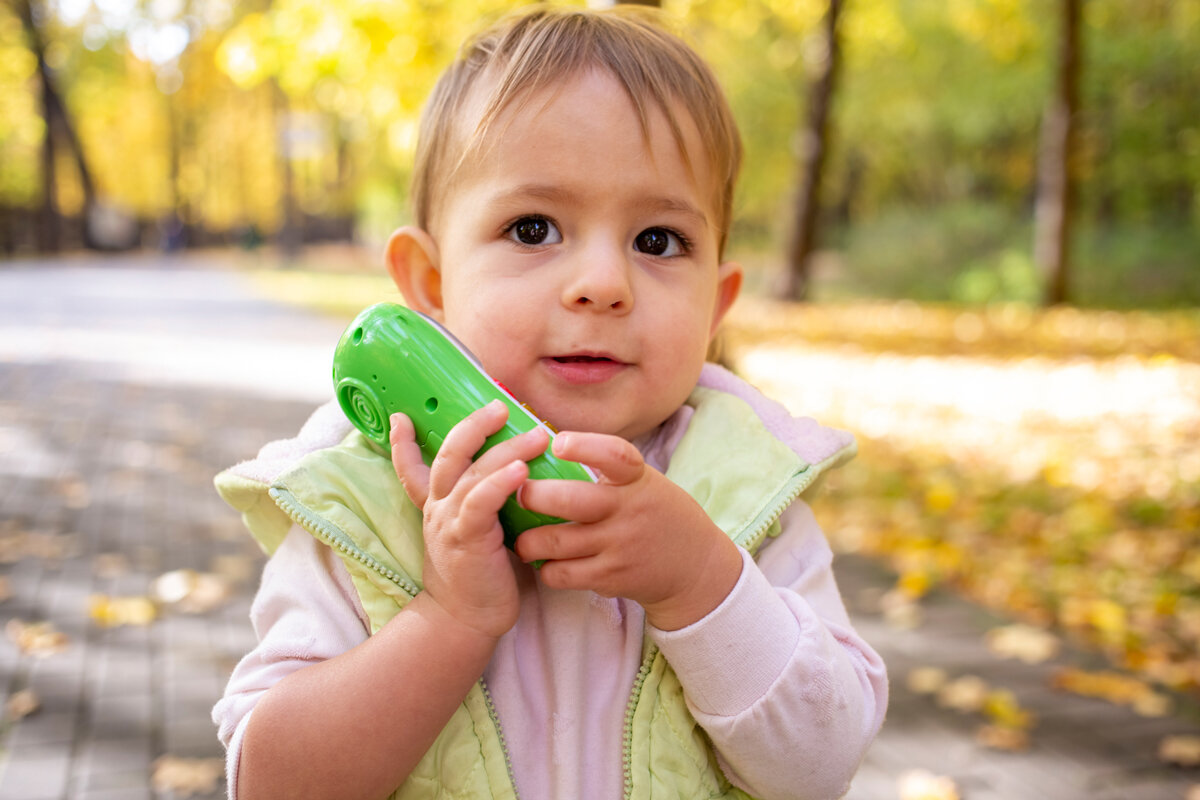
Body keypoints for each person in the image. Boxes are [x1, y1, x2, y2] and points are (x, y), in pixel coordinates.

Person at [212, 7, 887, 800]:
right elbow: (273, 785)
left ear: (716, 304)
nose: (602, 283)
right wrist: (447, 622)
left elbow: (821, 767)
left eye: (659, 241)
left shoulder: (752, 497)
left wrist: (703, 581)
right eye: (533, 228)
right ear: (430, 283)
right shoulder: (356, 504)